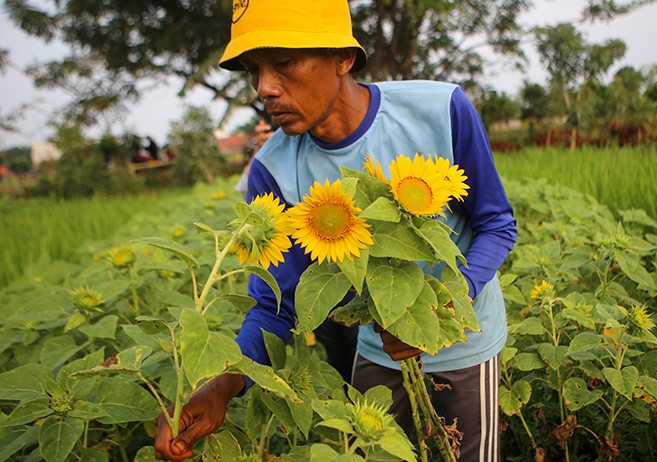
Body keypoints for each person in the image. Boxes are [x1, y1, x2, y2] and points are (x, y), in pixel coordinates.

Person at [154, 1, 517, 461]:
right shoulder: (273, 169)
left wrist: (441, 308)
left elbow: (496, 224)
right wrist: (220, 385)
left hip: (465, 345)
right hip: (378, 351)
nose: (264, 87)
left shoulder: (439, 109)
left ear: (343, 58)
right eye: (253, 70)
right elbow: (275, 304)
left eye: (283, 62)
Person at [235, 119, 275, 199]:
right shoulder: (255, 152)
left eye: (266, 132)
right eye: (258, 133)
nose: (262, 136)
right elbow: (246, 181)